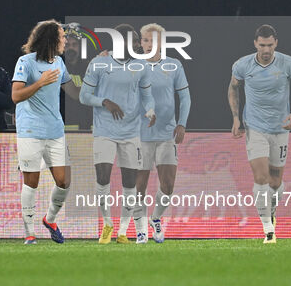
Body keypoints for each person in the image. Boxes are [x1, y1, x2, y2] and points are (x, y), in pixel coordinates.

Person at [228, 24, 291, 244]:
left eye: (270, 45)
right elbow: (233, 87)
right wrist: (236, 117)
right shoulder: (243, 65)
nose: (266, 49)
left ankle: (271, 211)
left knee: (275, 182)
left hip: (280, 129)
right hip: (255, 127)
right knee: (261, 177)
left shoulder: (288, 63)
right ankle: (268, 231)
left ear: (276, 43)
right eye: (262, 45)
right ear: (255, 43)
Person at [79, 24, 156, 244]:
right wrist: (104, 101)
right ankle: (107, 224)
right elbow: (84, 96)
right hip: (104, 130)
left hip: (132, 132)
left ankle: (123, 231)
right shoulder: (99, 63)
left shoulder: (141, 66)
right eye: (129, 41)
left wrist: (150, 110)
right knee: (102, 177)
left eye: (135, 41)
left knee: (129, 182)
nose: (134, 45)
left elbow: (147, 96)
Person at [11, 19, 80, 244]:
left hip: (55, 130)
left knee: (64, 181)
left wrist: (99, 79)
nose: (64, 41)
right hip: (30, 129)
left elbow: (75, 93)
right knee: (31, 181)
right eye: (61, 36)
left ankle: (50, 219)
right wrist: (40, 83)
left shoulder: (59, 62)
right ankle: (29, 232)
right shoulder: (26, 62)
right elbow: (16, 95)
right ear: (50, 39)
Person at [132, 23, 191, 244]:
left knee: (167, 186)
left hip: (167, 134)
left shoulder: (174, 66)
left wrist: (182, 124)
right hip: (140, 135)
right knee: (140, 185)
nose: (146, 45)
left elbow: (185, 98)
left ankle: (155, 218)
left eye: (151, 41)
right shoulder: (135, 67)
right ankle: (140, 231)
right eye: (144, 40)